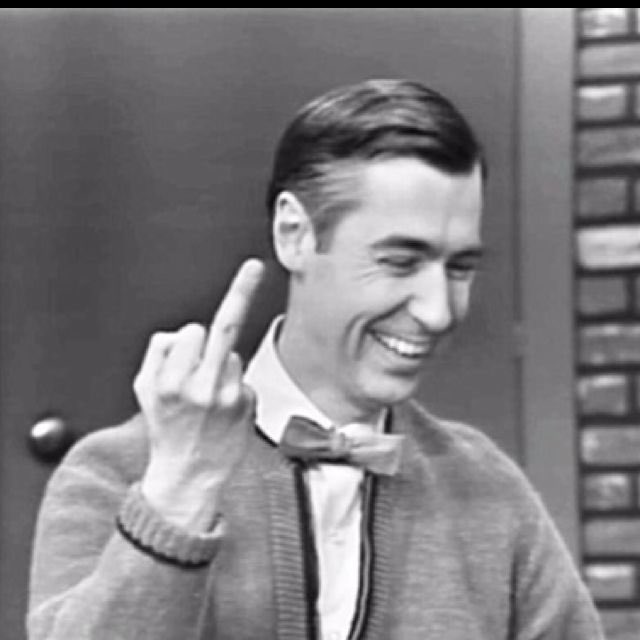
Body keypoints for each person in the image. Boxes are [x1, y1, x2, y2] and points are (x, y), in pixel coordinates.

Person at [28, 79, 603, 640]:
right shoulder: (114, 470)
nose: (437, 312)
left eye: (459, 268)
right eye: (400, 261)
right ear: (294, 234)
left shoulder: (489, 490)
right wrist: (181, 494)